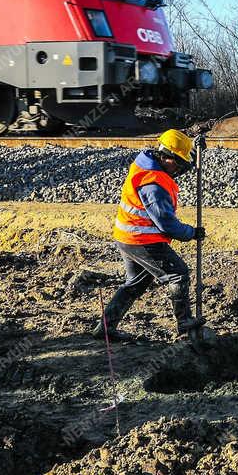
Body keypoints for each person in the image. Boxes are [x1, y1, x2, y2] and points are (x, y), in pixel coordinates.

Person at [93, 129, 206, 345]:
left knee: (135, 284)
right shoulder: (153, 184)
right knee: (177, 273)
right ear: (166, 157)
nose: (180, 170)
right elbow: (166, 223)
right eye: (179, 164)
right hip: (142, 240)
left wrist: (197, 150)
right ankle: (184, 322)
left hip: (128, 235)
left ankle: (105, 329)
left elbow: (184, 163)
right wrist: (191, 233)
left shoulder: (148, 164)